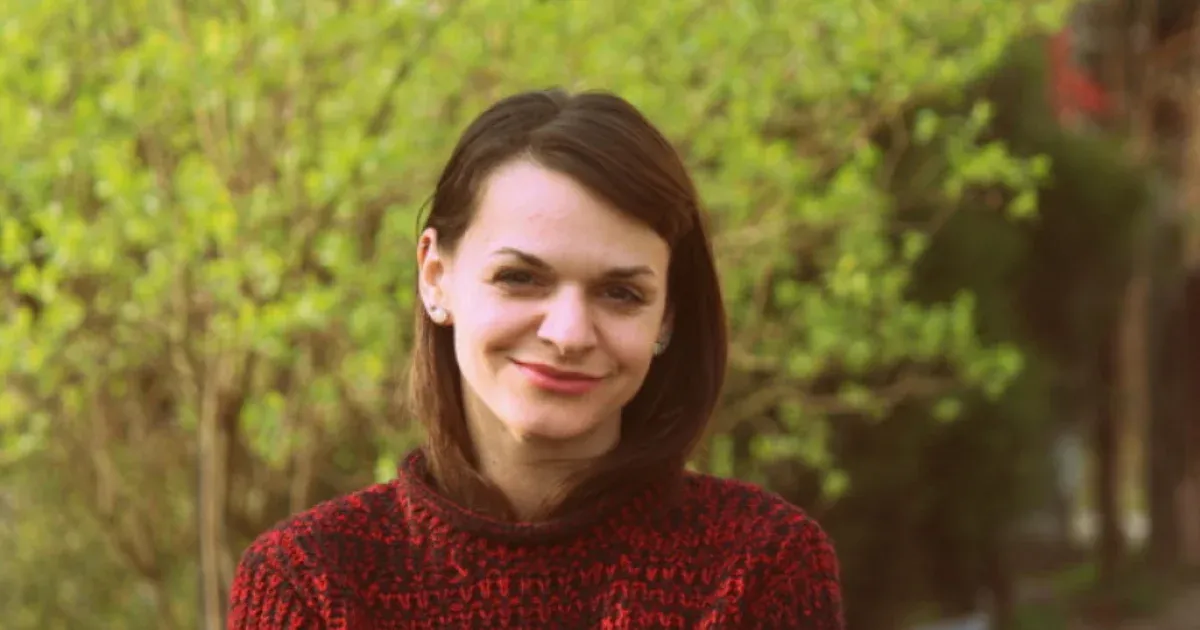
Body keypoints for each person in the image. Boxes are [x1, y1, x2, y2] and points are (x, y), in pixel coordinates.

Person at [227, 88, 844, 629]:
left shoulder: (760, 565)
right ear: (435, 277)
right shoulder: (309, 582)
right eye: (520, 278)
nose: (569, 334)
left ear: (667, 316)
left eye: (620, 293)